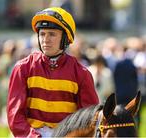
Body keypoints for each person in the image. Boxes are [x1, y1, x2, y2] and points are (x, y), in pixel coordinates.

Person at [7, 7, 99, 137]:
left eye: (52, 34)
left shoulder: (82, 73)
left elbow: (89, 118)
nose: (45, 39)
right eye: (42, 34)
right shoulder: (23, 68)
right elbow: (15, 117)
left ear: (65, 38)